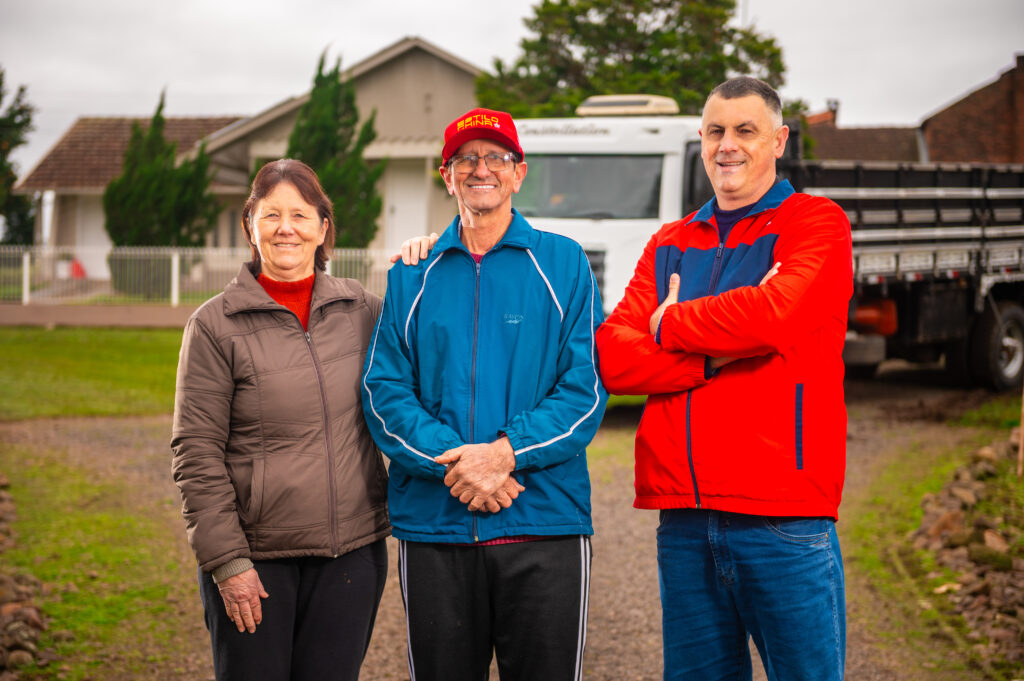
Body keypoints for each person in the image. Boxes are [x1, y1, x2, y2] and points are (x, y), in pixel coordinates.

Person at [595, 77, 853, 680]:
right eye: (715, 131)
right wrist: (711, 356)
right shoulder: (671, 241)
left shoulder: (816, 223)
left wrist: (668, 322)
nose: (727, 145)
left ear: (778, 141)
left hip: (782, 515)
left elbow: (773, 316)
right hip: (683, 517)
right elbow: (613, 356)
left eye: (745, 130)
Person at [361, 108, 607, 681]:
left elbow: (585, 388)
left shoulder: (563, 262)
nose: (481, 169)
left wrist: (503, 455)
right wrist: (460, 465)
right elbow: (384, 392)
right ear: (446, 177)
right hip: (437, 526)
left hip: (543, 521)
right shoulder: (410, 274)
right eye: (466, 158)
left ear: (519, 173)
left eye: (497, 157)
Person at [171, 159, 392, 681]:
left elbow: (431, 351)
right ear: (249, 225)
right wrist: (228, 563)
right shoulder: (213, 325)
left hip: (351, 555)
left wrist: (429, 254)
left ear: (323, 227)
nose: (285, 228)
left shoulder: (363, 310)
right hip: (257, 559)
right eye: (271, 215)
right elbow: (196, 452)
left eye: (300, 214)